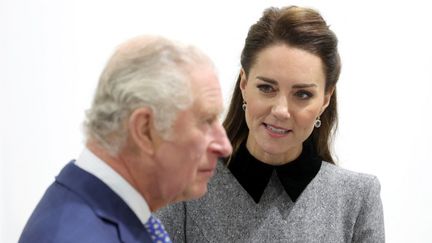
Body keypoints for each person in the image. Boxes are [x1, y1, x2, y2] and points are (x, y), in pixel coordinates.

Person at [156, 6, 385, 242]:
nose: (281, 111)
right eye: (266, 88)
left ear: (325, 99)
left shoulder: (357, 198)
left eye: (303, 94)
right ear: (244, 84)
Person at [18, 35, 232, 243]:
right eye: (206, 121)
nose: (225, 146)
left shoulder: (98, 213)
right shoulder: (77, 236)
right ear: (145, 130)